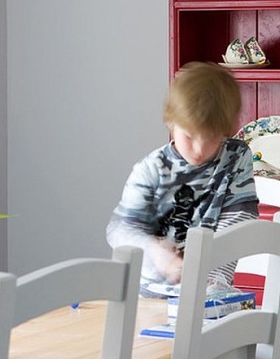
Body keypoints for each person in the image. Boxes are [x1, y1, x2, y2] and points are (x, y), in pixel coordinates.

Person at [107, 61, 258, 296]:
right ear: (170, 121)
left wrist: (210, 273)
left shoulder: (236, 157)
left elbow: (240, 216)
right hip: (151, 295)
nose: (198, 150)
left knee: (236, 326)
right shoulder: (151, 169)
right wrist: (157, 252)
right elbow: (120, 231)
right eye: (189, 136)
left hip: (211, 291)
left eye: (210, 138)